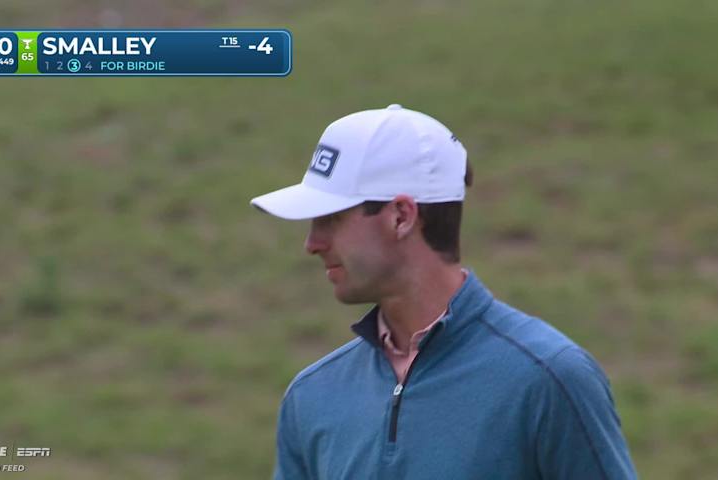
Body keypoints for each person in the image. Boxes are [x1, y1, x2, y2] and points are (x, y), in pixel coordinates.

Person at [250, 104, 637, 479]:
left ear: (401, 216)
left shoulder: (549, 379)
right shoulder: (312, 397)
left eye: (331, 219)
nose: (312, 243)